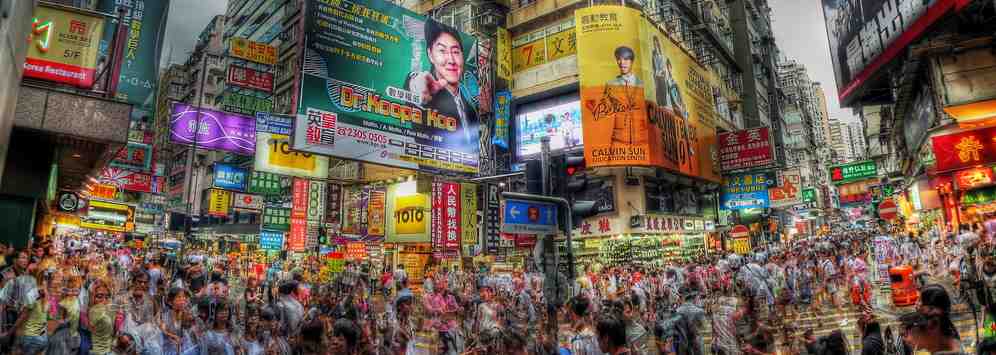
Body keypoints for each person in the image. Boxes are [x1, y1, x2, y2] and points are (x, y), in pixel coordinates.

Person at [405, 19, 478, 149]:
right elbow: (416, 85)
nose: (451, 60)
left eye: (456, 52)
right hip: (434, 168)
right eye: (442, 51)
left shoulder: (471, 112)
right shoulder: (428, 93)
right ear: (430, 55)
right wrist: (415, 84)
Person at [902, 284, 963, 354]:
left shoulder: (939, 332)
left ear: (934, 309)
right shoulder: (942, 324)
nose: (916, 304)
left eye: (920, 301)